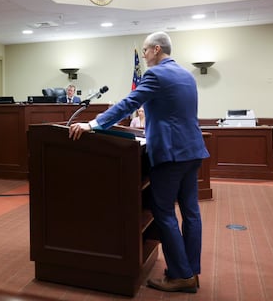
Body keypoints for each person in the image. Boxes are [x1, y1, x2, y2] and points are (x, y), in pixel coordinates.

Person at [69, 31, 209, 293]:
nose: (143, 56)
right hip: (193, 151)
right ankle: (191, 270)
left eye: (145, 50)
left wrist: (92, 124)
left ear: (156, 49)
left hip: (170, 153)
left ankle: (180, 275)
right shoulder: (186, 75)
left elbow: (129, 103)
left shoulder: (156, 75)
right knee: (191, 213)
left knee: (164, 212)